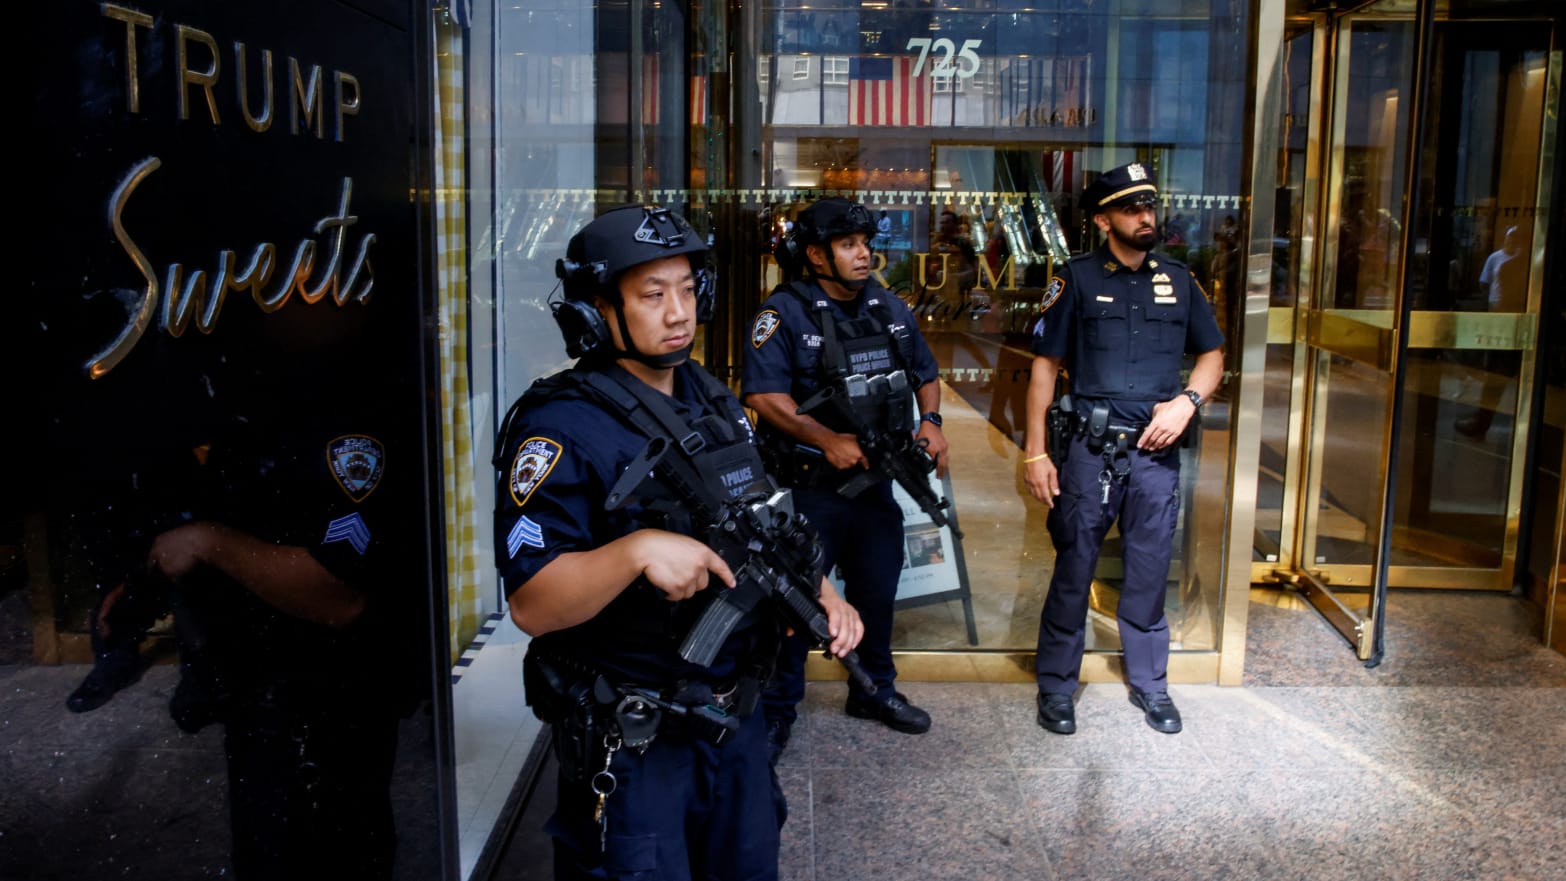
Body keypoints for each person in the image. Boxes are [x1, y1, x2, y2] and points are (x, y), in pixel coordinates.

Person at [496, 204, 863, 879]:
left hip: (733, 723)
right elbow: (532, 604)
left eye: (688, 290)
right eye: (652, 294)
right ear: (597, 309)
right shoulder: (559, 427)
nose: (678, 312)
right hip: (636, 744)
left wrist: (824, 592)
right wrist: (634, 552)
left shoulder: (709, 396)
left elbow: (764, 512)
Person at [144, 401, 418, 879]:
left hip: (322, 704)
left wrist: (208, 542)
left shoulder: (340, 422)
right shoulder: (256, 411)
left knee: (325, 849)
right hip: (264, 695)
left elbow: (337, 591)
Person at [1021, 162, 1224, 735]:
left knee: (1149, 568)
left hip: (1155, 456)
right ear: (1103, 219)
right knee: (1074, 567)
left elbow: (1212, 354)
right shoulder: (1076, 279)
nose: (1145, 218)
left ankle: (1151, 685)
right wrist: (1035, 452)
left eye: (1149, 208)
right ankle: (1058, 687)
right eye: (1132, 209)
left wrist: (1187, 401)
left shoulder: (1181, 279)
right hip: (1090, 450)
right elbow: (1045, 367)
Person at [743, 196, 947, 761]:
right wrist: (825, 439)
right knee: (796, 603)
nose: (864, 256)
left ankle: (873, 690)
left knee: (877, 594)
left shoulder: (887, 307)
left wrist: (931, 423)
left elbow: (925, 372)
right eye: (849, 245)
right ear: (815, 254)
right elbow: (762, 394)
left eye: (866, 245)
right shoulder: (783, 312)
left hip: (875, 486)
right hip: (808, 488)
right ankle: (778, 709)